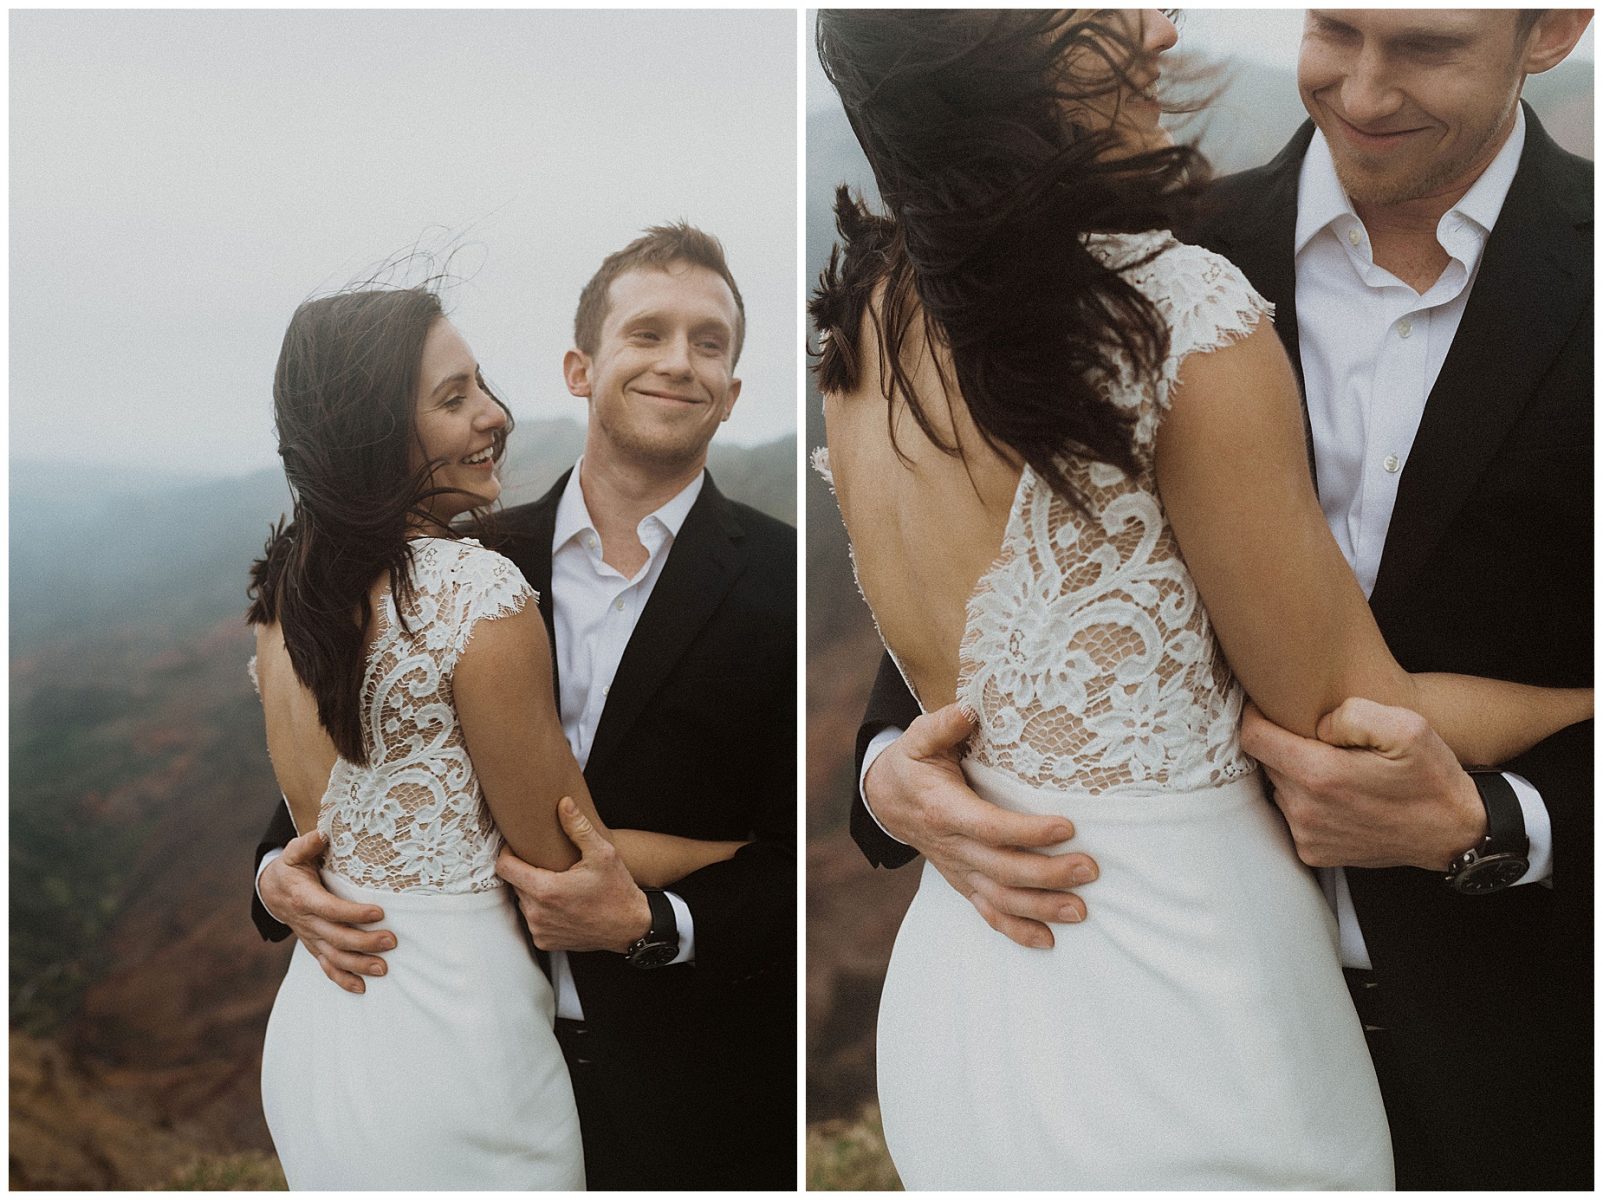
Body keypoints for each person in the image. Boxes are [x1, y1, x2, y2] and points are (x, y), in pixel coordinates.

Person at [813, 8, 1591, 1190]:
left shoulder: (885, 301)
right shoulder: (1145, 273)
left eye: (1424, 45)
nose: (1365, 88)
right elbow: (1006, 628)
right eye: (1336, 29)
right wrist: (890, 773)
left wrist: (1513, 824)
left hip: (1511, 1046)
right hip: (1198, 1006)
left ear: (1556, 28)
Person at [252, 226, 796, 1190]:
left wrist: (667, 917)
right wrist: (272, 875)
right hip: (466, 1046)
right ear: (582, 367)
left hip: (687, 1088)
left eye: (709, 342)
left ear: (735, 389)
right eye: (647, 332)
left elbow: (806, 862)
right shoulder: (476, 571)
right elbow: (365, 790)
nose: (678, 360)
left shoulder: (789, 583)